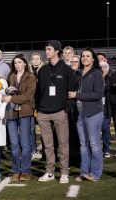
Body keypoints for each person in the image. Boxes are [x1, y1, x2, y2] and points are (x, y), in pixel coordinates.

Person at [36, 40, 76, 184]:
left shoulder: (66, 69)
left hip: (60, 112)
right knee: (48, 145)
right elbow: (38, 92)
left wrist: (66, 110)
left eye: (49, 49)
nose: (46, 52)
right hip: (43, 112)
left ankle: (64, 172)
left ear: (57, 51)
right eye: (46, 49)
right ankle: (49, 171)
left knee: (63, 144)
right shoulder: (43, 70)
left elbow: (72, 91)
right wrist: (38, 109)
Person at [69, 47, 104, 182]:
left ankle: (95, 173)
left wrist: (77, 95)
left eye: (88, 56)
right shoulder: (78, 73)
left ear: (93, 59)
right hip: (80, 113)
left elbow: (97, 94)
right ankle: (84, 171)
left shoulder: (97, 73)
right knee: (83, 144)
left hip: (93, 113)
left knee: (94, 144)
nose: (84, 58)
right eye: (83, 56)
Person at [2, 54, 36, 181]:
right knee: (14, 144)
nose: (17, 65)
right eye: (15, 63)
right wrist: (6, 95)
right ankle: (16, 170)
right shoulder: (11, 77)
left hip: (25, 113)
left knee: (25, 144)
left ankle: (26, 170)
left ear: (25, 64)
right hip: (12, 113)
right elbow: (7, 91)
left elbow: (28, 97)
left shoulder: (31, 77)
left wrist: (11, 97)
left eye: (19, 62)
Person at [99, 61, 113, 158]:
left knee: (105, 129)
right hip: (95, 109)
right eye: (101, 69)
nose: (102, 70)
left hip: (106, 109)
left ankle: (106, 149)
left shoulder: (110, 79)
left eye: (104, 68)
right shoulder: (94, 78)